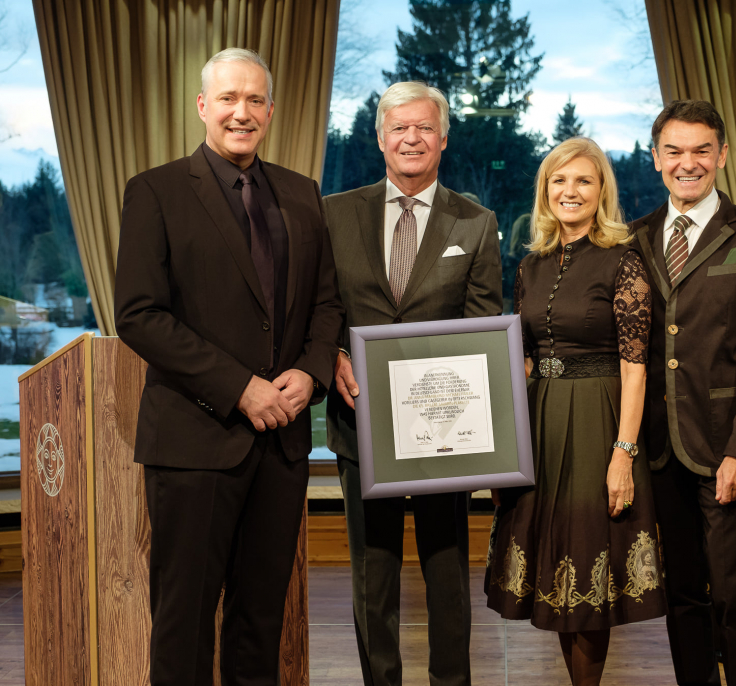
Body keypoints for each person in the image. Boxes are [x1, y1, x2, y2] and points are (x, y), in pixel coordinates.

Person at [114, 48, 344, 685]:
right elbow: (138, 314)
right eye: (228, 99)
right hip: (194, 442)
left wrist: (311, 372)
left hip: (281, 443)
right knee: (183, 622)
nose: (241, 113)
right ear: (202, 106)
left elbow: (327, 302)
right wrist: (240, 388)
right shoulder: (155, 191)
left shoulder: (301, 193)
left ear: (270, 110)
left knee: (259, 622)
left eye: (254, 100)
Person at [323, 81, 502, 686]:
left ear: (443, 138)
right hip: (361, 421)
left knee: (447, 573)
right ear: (380, 138)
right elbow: (320, 307)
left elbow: (482, 327)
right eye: (399, 127)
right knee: (371, 575)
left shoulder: (475, 222)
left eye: (424, 127)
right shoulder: (334, 214)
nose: (411, 138)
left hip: (445, 432)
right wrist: (332, 354)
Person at [485, 137, 665, 686]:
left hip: (597, 420)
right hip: (540, 420)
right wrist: (501, 448)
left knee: (589, 564)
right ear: (545, 191)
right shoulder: (531, 266)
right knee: (556, 570)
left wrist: (623, 453)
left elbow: (635, 369)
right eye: (559, 181)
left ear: (601, 190)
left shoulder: (624, 261)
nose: (570, 191)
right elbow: (524, 360)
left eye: (583, 180)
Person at [629, 100, 736, 686]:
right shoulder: (634, 237)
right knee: (682, 593)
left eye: (701, 150)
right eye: (674, 151)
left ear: (722, 155)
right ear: (656, 158)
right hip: (658, 448)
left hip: (726, 444)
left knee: (735, 593)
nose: (687, 163)